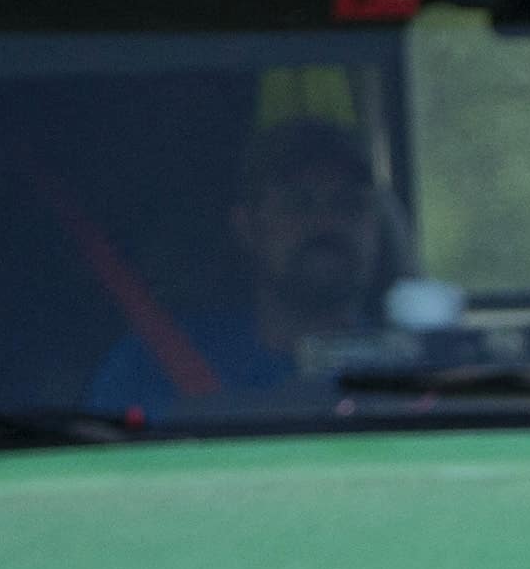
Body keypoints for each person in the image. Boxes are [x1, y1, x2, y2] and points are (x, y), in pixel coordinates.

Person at [85, 114, 396, 412]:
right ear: (246, 227)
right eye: (298, 204)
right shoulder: (153, 364)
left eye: (350, 205)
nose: (326, 223)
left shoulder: (406, 369)